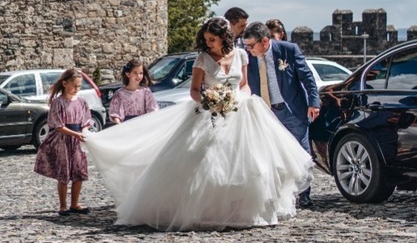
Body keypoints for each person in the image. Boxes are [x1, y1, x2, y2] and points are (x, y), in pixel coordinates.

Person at [87, 17, 312, 230]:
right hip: (209, 113)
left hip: (239, 112)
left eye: (212, 39)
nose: (209, 43)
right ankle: (210, 212)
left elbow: (244, 84)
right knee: (209, 163)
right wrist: (209, 100)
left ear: (224, 38)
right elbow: (194, 90)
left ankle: (243, 211)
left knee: (250, 163)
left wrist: (238, 97)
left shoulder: (242, 55)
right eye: (206, 40)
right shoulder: (202, 59)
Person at [243, 21, 321, 209]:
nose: (249, 50)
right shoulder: (247, 57)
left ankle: (304, 194)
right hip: (264, 112)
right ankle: (277, 195)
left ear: (264, 41)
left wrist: (313, 103)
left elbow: (307, 77)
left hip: (291, 109)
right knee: (271, 154)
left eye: (252, 45)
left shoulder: (289, 50)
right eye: (247, 46)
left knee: (301, 153)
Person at [33, 68, 93, 216]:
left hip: (78, 141)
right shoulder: (58, 103)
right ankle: (63, 205)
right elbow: (58, 125)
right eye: (74, 86)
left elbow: (87, 120)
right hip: (63, 140)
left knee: (79, 171)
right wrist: (75, 134)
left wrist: (84, 130)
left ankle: (75, 204)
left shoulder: (81, 102)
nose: (76, 89)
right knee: (64, 172)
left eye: (79, 86)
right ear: (65, 83)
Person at [106, 58, 158, 124]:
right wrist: (120, 125)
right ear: (128, 74)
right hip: (127, 126)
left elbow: (153, 110)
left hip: (143, 125)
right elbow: (115, 114)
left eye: (141, 73)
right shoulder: (119, 94)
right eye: (135, 73)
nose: (138, 76)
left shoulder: (146, 92)